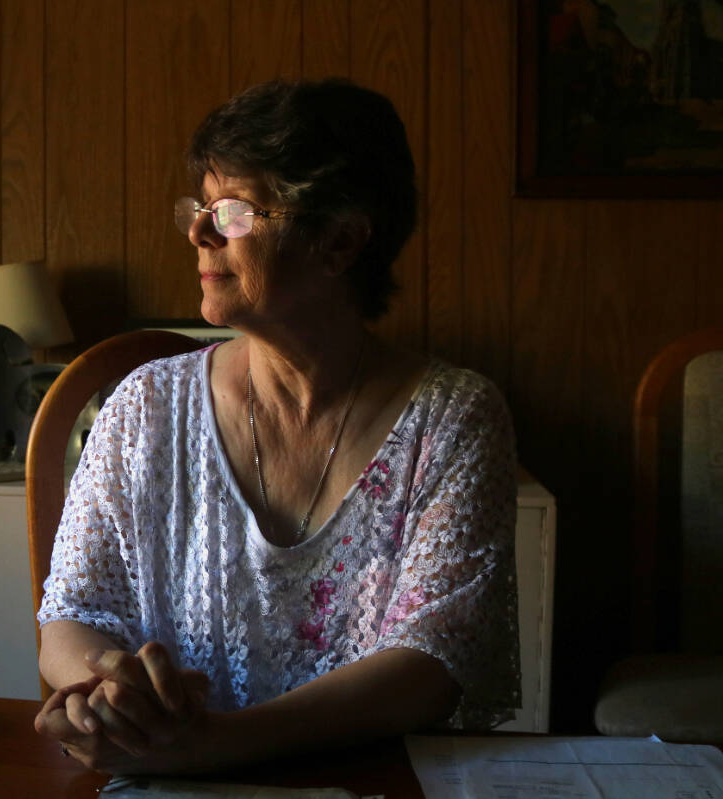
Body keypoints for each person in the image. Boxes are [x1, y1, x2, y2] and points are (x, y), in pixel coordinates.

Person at [34, 78, 519, 775]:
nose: (198, 231)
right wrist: (106, 685)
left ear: (341, 239)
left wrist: (214, 745)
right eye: (199, 207)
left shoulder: (454, 419)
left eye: (233, 211)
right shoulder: (144, 407)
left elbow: (431, 660)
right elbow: (73, 610)